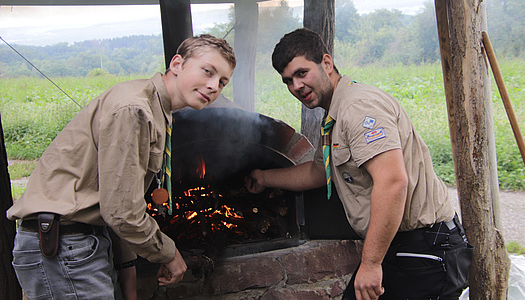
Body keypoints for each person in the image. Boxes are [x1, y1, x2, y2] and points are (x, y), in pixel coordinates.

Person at [246, 28, 473, 300]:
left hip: (425, 250)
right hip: (400, 245)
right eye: (287, 81)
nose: (296, 86)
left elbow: (392, 181)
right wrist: (265, 177)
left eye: (301, 73)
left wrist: (371, 263)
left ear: (326, 63)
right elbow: (317, 171)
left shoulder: (359, 108)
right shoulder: (335, 116)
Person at [7, 34, 236, 300]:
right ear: (177, 64)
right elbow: (121, 210)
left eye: (222, 82)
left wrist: (127, 267)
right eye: (207, 71)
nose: (213, 86)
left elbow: (118, 201)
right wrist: (168, 253)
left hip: (81, 242)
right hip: (64, 247)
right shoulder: (135, 109)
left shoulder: (155, 109)